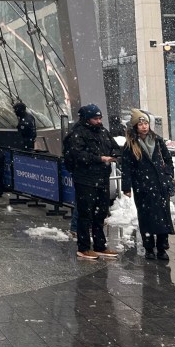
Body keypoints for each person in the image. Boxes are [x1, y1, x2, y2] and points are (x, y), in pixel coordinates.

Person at [63, 104, 117, 260]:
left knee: (100, 213)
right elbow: (78, 155)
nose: (99, 121)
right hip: (85, 178)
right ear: (87, 119)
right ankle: (84, 247)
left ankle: (100, 245)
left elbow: (113, 146)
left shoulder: (103, 132)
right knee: (85, 213)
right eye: (95, 118)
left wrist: (114, 155)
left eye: (100, 118)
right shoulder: (77, 133)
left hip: (101, 177)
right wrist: (99, 159)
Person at [121, 109, 175, 260]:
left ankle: (162, 248)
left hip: (160, 185)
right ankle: (149, 248)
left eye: (145, 123)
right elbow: (126, 167)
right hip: (143, 187)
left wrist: (168, 175)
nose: (144, 126)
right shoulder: (130, 145)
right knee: (146, 217)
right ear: (135, 126)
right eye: (140, 124)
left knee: (163, 218)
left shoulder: (157, 141)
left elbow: (168, 160)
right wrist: (127, 187)